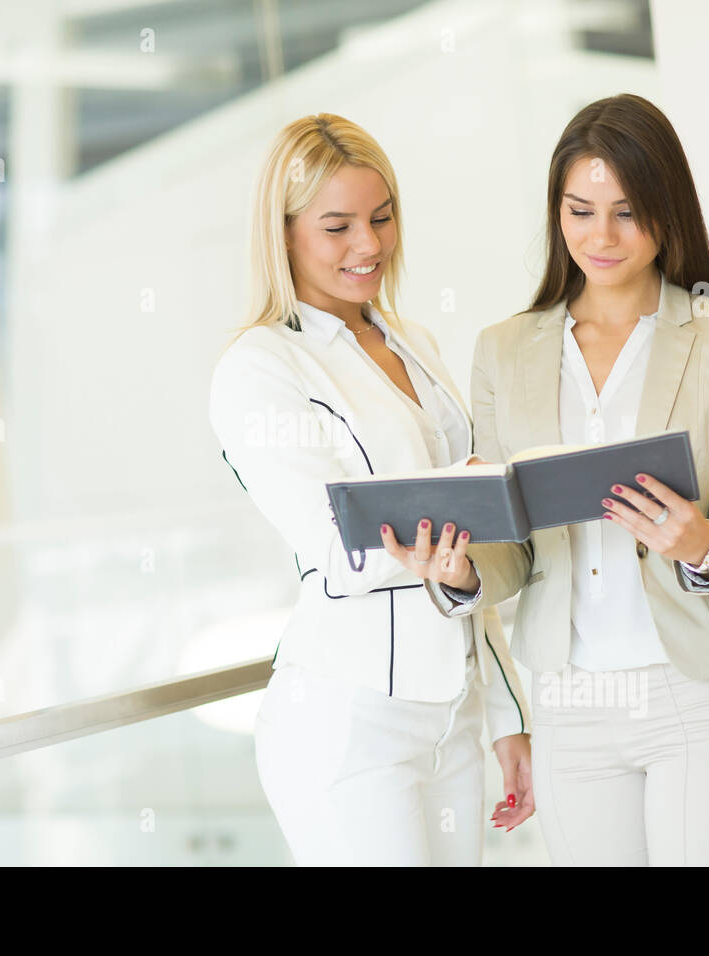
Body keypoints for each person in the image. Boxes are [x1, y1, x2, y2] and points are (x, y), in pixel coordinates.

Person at [382, 93, 709, 866]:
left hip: (693, 693)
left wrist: (702, 546)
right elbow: (514, 548)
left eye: (627, 212)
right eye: (580, 210)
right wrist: (459, 571)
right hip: (569, 705)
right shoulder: (505, 350)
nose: (600, 236)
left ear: (668, 212)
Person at [208, 113, 534, 866]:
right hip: (351, 723)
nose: (370, 245)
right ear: (283, 233)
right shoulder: (258, 368)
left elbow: (468, 552)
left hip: (454, 713)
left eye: (382, 219)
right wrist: (469, 496)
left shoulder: (410, 341)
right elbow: (338, 544)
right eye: (338, 226)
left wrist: (506, 716)